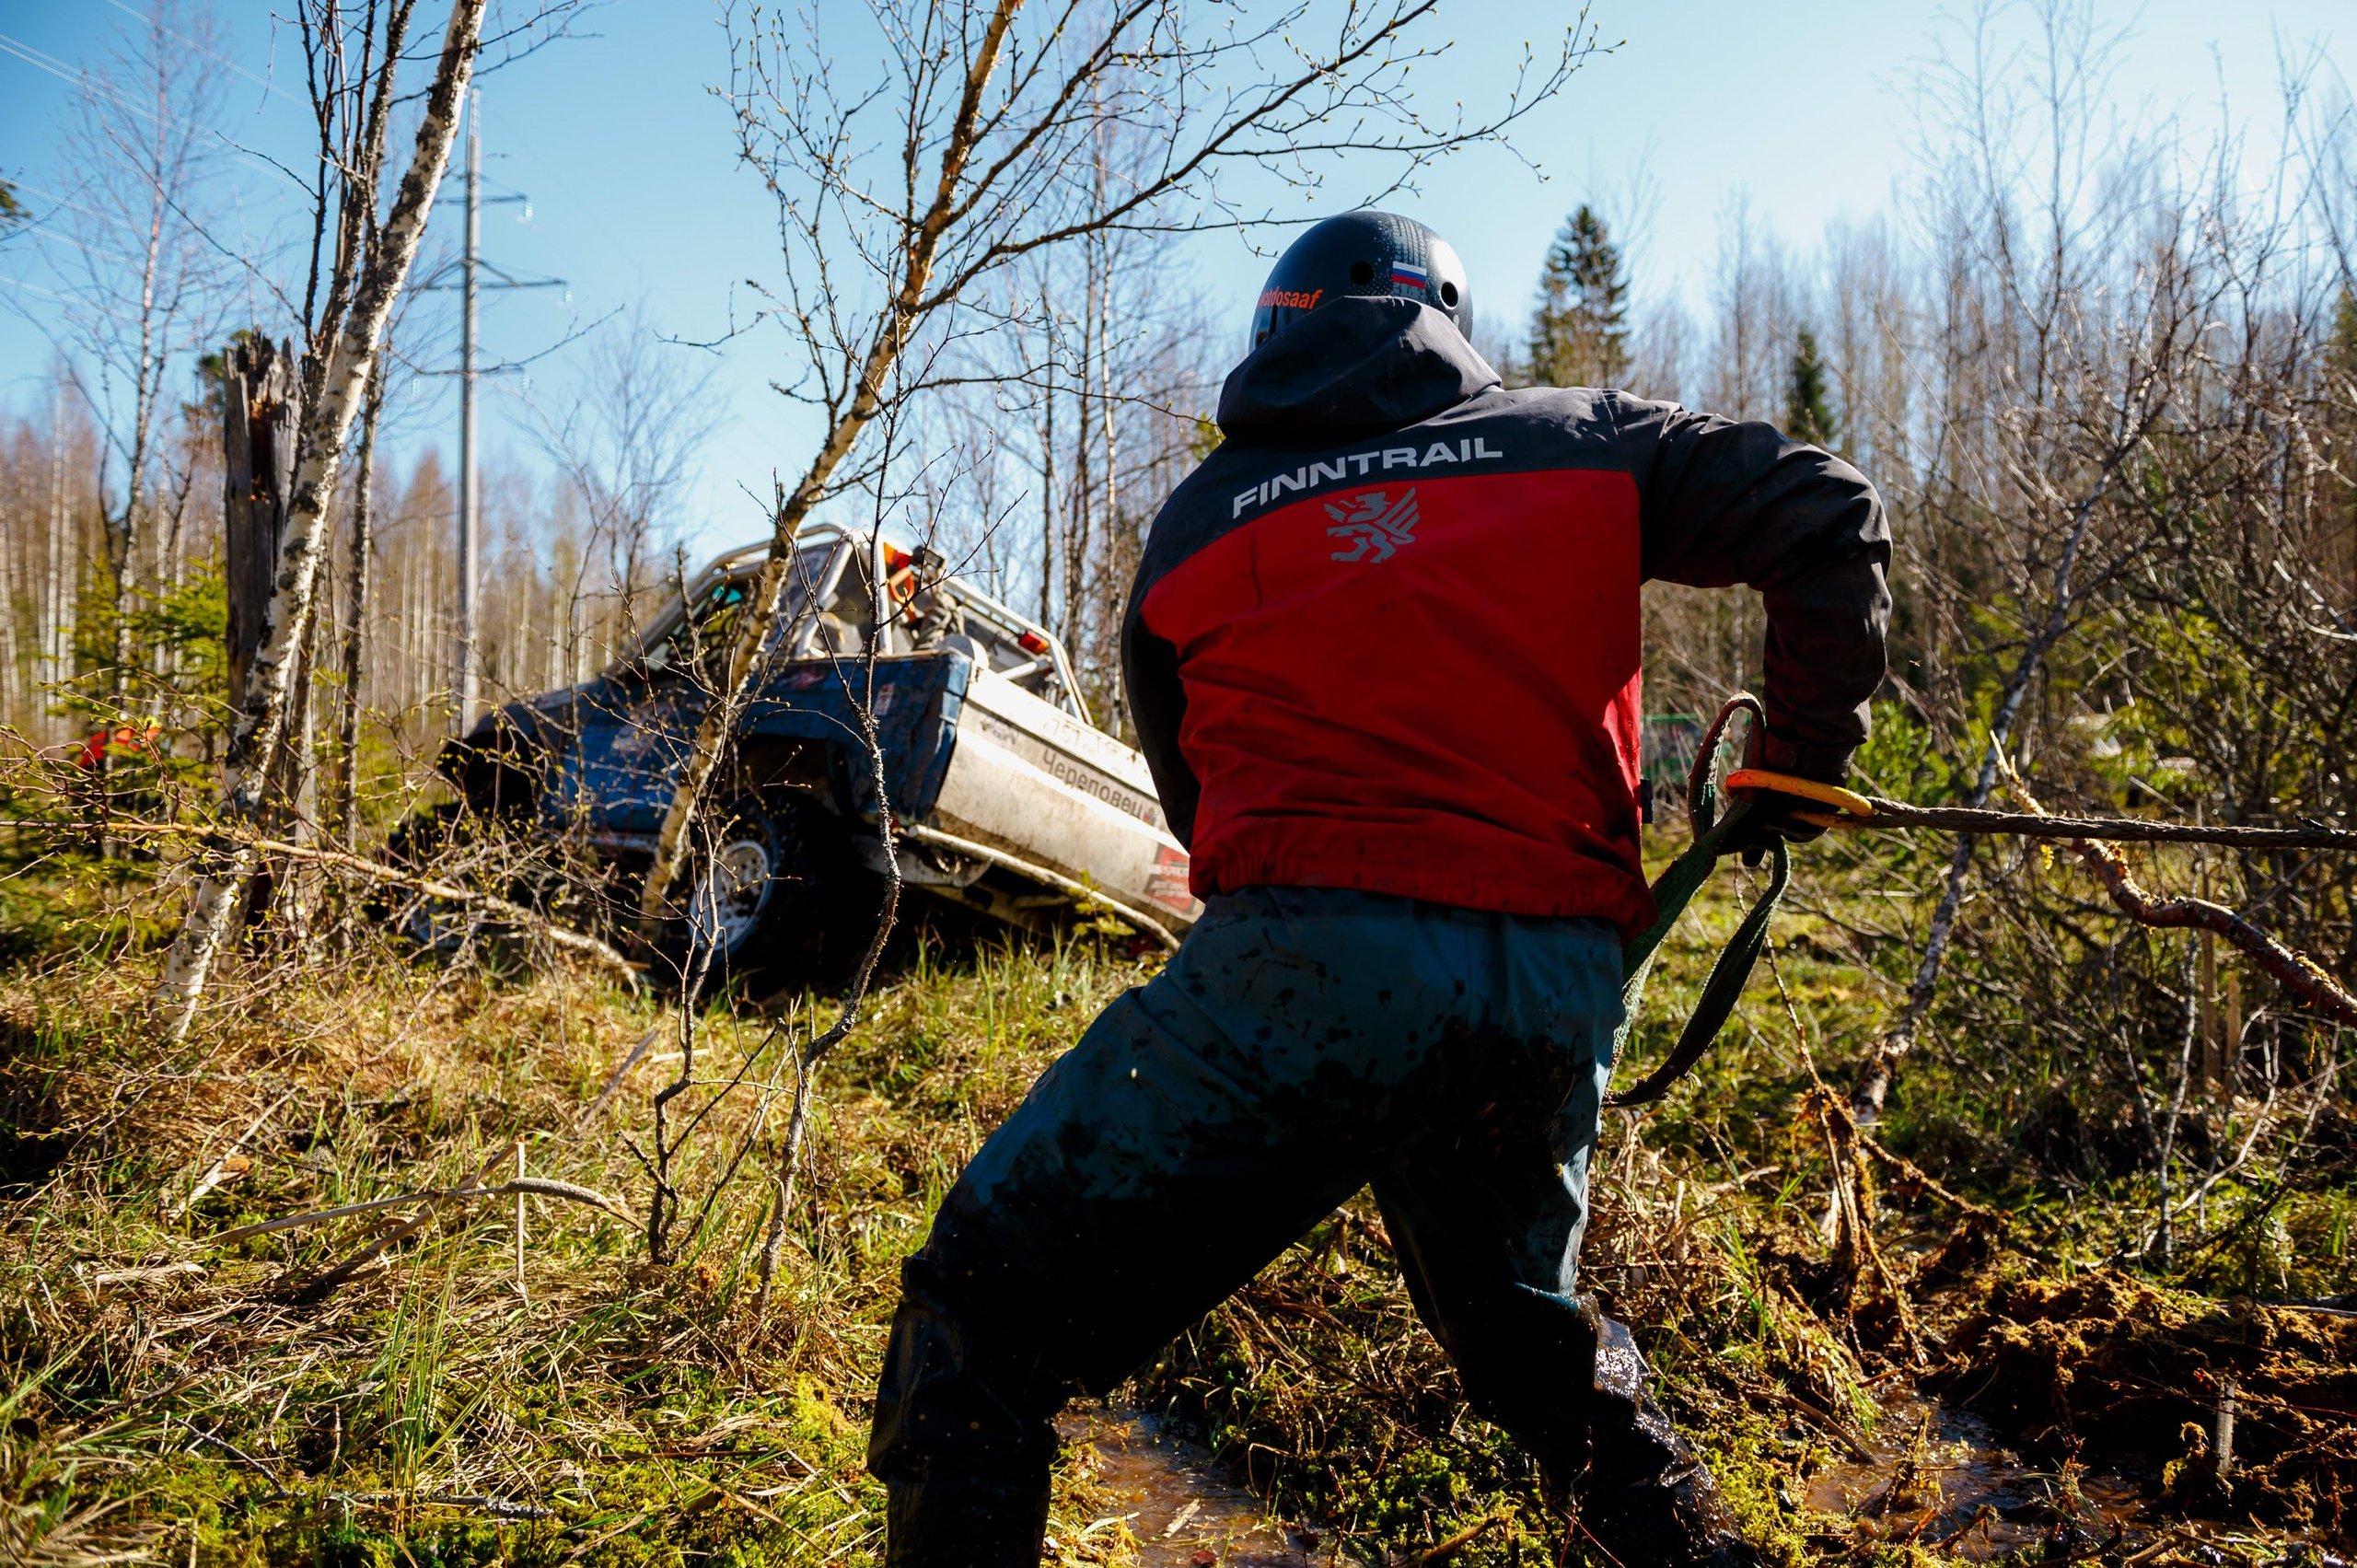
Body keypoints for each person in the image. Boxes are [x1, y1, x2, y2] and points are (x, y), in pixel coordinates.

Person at [867, 209, 1890, 1567]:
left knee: (979, 1323)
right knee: (1540, 1360)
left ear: (1277, 326)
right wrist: (1798, 762)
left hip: (1304, 962)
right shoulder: (1583, 437)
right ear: (1448, 321)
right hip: (1548, 987)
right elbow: (1829, 512)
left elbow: (1202, 811)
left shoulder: (1193, 521)